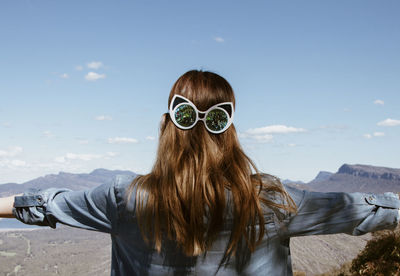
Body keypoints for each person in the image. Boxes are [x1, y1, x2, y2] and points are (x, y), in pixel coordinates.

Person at [0, 70, 399, 276]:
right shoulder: (271, 201)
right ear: (230, 133)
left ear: (166, 126)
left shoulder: (123, 198)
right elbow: (366, 210)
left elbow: (44, 205)